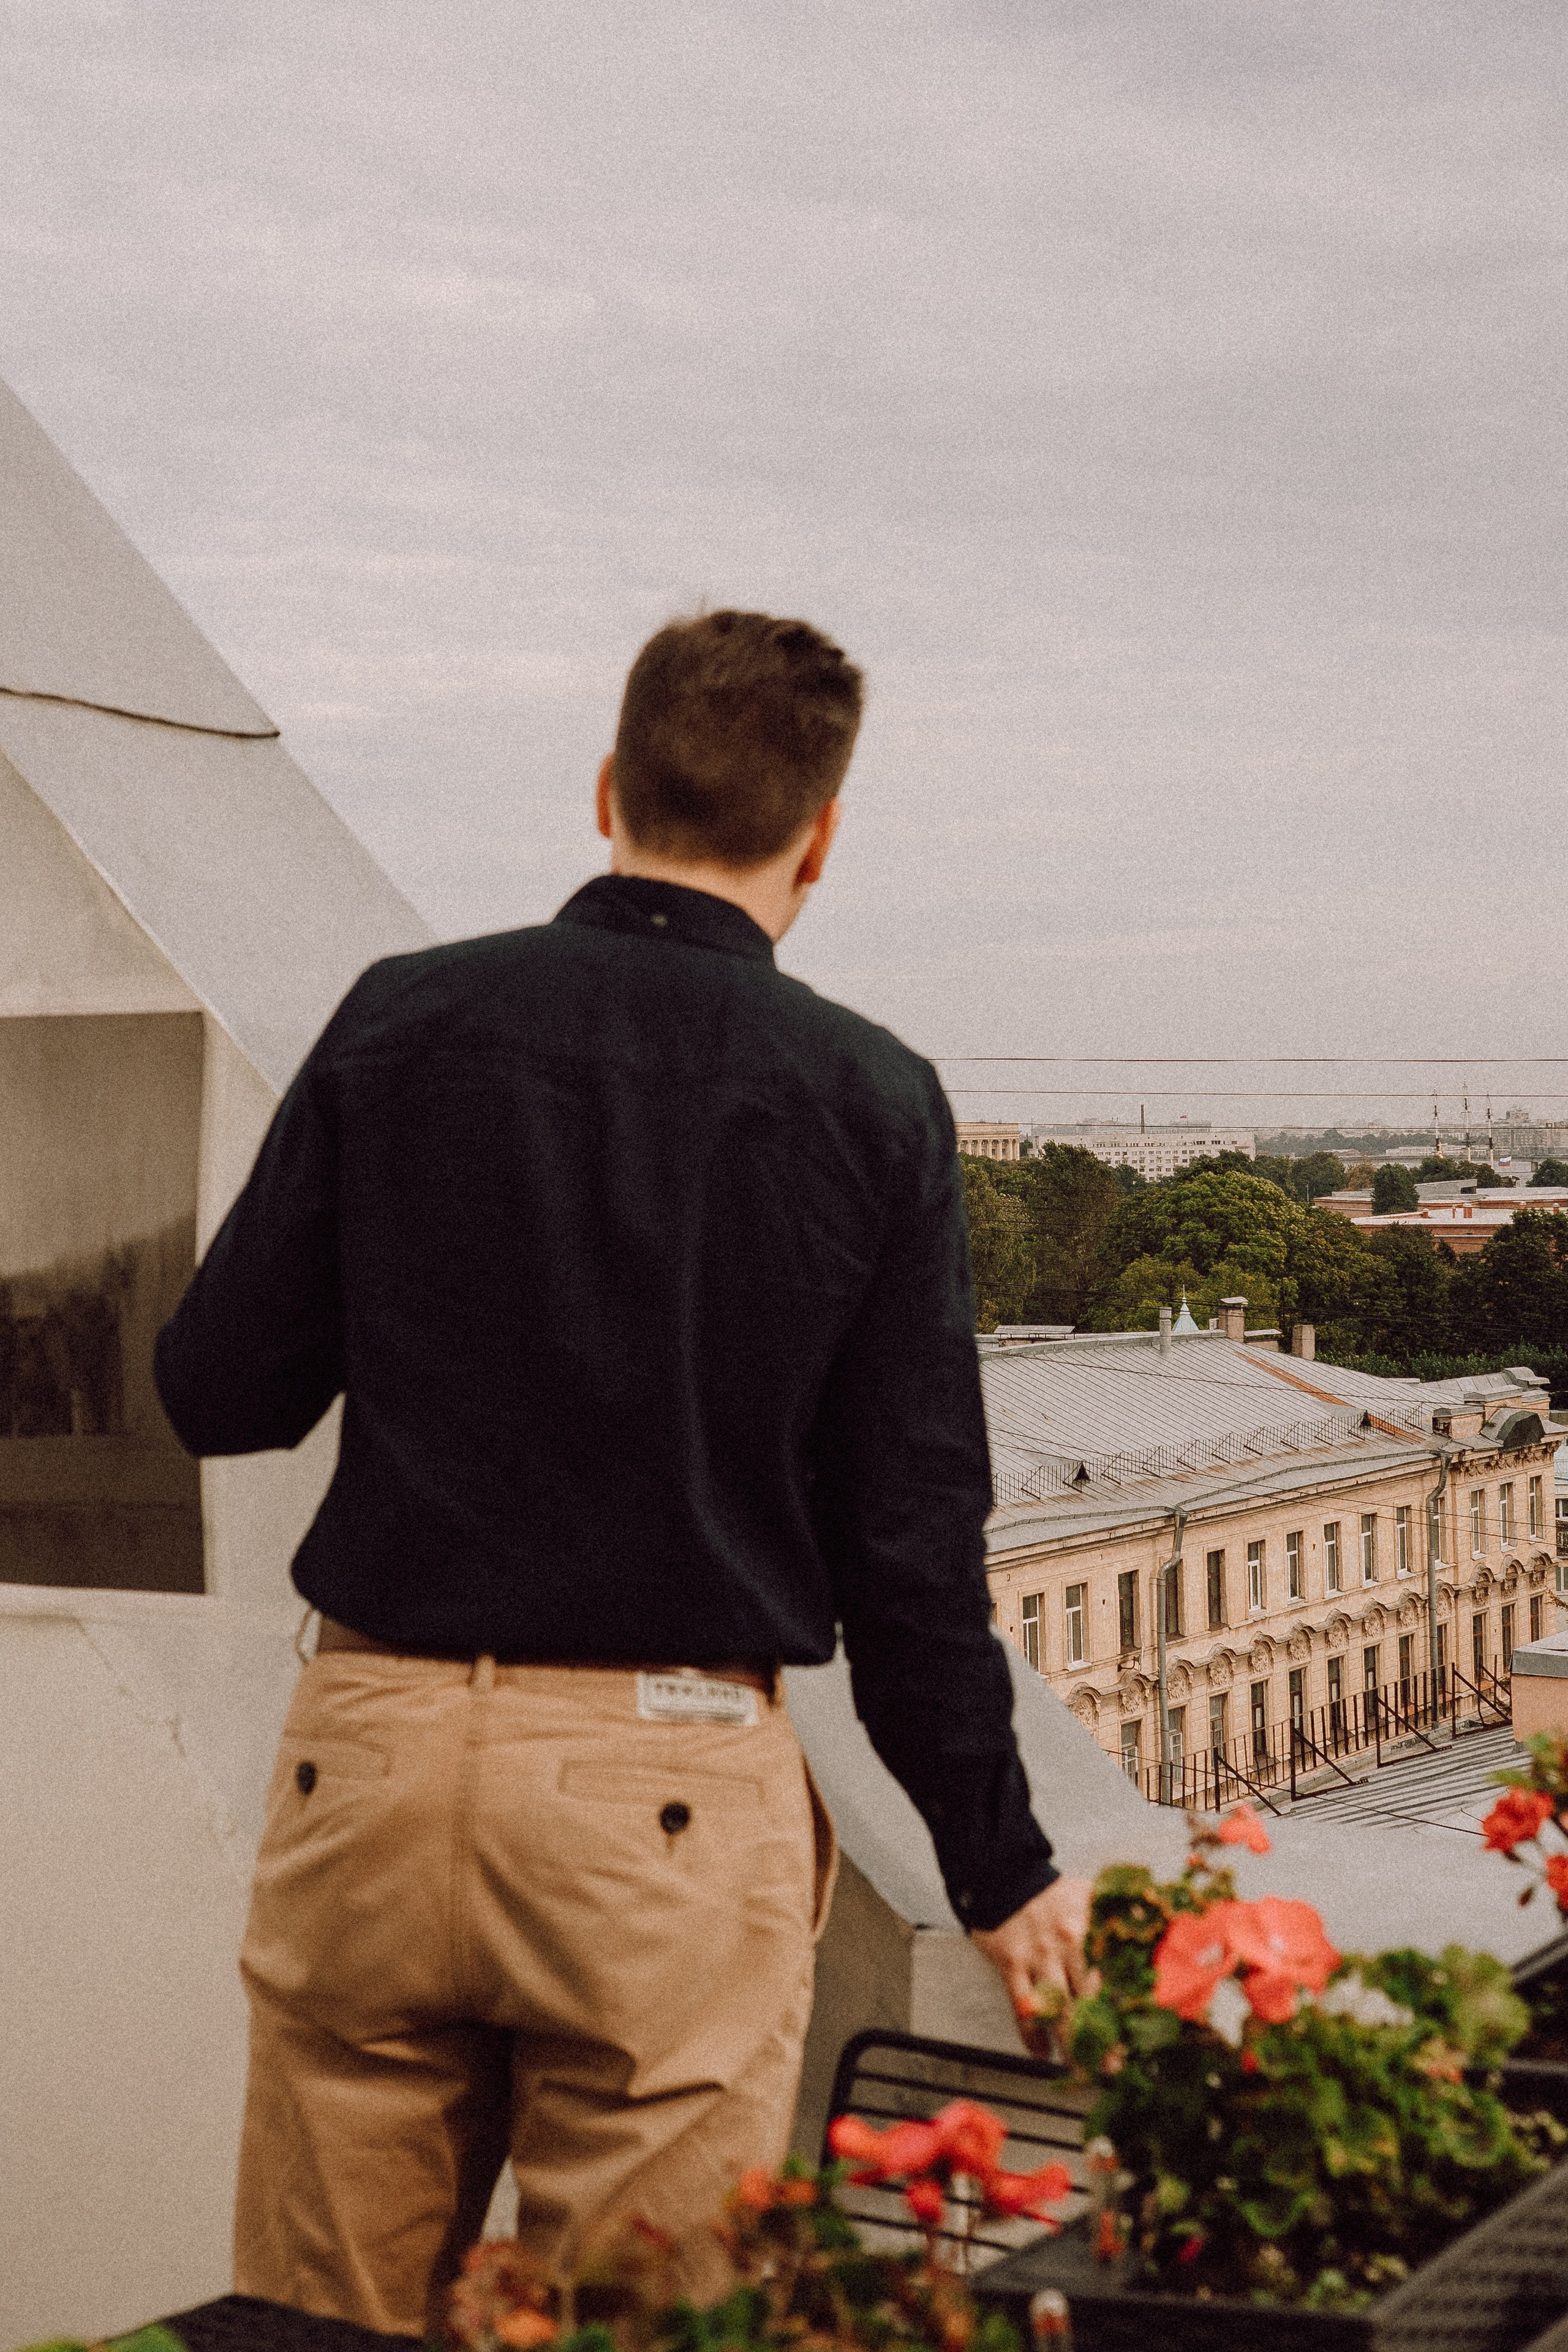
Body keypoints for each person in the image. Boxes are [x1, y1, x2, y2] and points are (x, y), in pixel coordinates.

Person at [155, 609, 1091, 2342]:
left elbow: (216, 1392)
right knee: (644, 2325)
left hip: (375, 1759)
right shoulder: (868, 1098)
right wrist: (1001, 1867)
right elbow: (908, 1555)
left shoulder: (403, 1020)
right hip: (665, 1796)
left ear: (608, 790)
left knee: (319, 2326)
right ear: (820, 838)